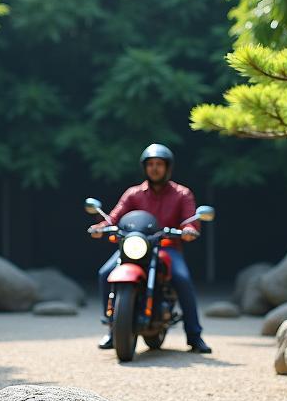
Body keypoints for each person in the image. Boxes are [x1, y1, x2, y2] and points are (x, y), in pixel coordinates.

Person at [90, 143, 212, 354]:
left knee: (182, 279)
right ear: (144, 167)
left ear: (168, 167)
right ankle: (113, 329)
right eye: (151, 164)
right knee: (104, 273)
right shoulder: (133, 194)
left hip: (167, 247)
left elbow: (190, 219)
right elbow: (114, 217)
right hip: (134, 246)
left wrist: (190, 229)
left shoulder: (182, 194)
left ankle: (194, 336)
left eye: (159, 164)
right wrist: (101, 227)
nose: (155, 168)